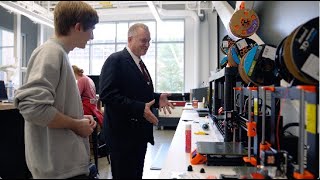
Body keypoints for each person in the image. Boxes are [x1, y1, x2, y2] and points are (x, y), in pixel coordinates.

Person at [13, 1, 99, 179]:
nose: (92, 36)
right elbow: (33, 108)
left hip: (64, 167)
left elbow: (54, 106)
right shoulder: (51, 52)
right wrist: (76, 125)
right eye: (91, 29)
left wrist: (79, 119)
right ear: (78, 27)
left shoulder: (60, 54)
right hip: (59, 171)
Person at [99, 23, 174, 179]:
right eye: (143, 41)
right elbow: (107, 95)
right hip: (122, 137)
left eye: (149, 41)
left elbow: (135, 92)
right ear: (130, 39)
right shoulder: (116, 60)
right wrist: (139, 108)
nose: (147, 45)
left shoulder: (138, 62)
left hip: (138, 135)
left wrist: (156, 97)